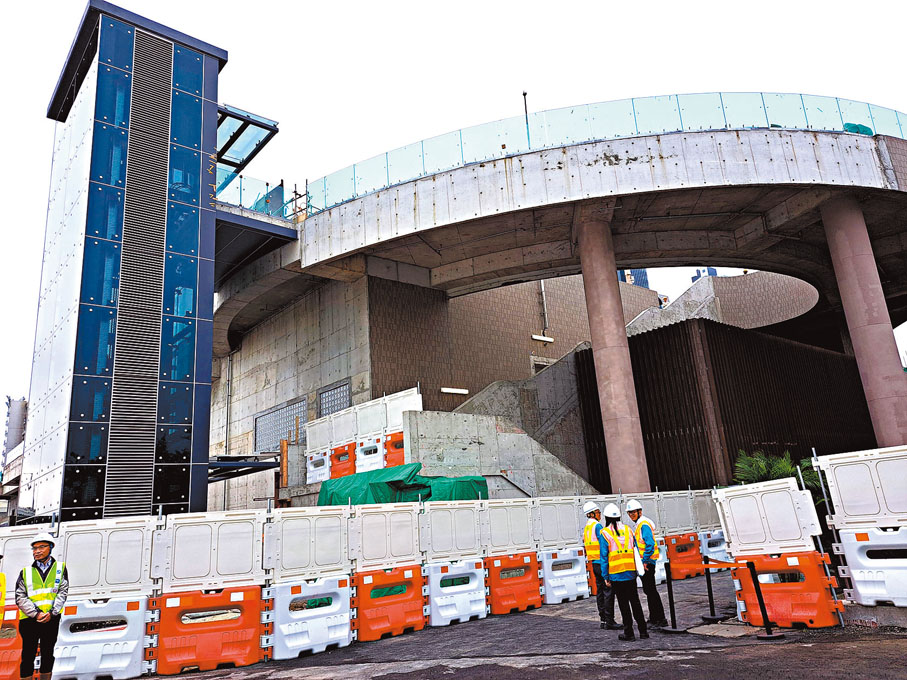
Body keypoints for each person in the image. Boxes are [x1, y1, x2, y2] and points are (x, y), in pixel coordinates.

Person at [16, 533, 68, 680]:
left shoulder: (60, 568)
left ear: (51, 547)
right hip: (29, 620)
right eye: (34, 548)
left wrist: (52, 613)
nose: (37, 551)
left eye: (41, 547)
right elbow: (20, 597)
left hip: (51, 619)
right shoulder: (25, 572)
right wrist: (36, 613)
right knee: (28, 656)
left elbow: (62, 592)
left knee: (48, 654)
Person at [600, 503, 648, 641]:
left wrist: (605, 576)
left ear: (606, 518)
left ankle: (629, 633)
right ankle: (643, 631)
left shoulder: (605, 533)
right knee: (635, 602)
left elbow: (604, 557)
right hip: (630, 572)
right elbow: (635, 550)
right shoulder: (628, 530)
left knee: (623, 604)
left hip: (616, 574)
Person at [626, 499, 668, 628]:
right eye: (629, 513)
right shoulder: (640, 525)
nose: (631, 515)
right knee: (649, 590)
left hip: (648, 563)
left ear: (640, 512)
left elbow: (650, 544)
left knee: (651, 591)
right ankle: (654, 618)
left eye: (633, 512)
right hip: (646, 562)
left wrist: (644, 561)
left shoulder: (643, 525)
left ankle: (660, 619)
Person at [581, 501, 620, 630]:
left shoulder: (587, 527)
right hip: (602, 563)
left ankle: (603, 619)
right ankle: (610, 621)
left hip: (594, 563)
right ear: (591, 514)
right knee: (608, 591)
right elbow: (604, 543)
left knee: (600, 592)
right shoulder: (597, 526)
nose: (600, 515)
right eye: (598, 512)